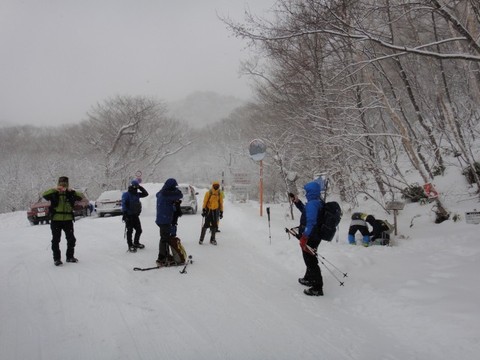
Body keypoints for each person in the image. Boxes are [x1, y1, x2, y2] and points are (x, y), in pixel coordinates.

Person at [42, 176, 85, 266]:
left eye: (65, 182)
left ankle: (70, 257)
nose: (63, 184)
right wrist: (54, 189)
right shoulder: (54, 192)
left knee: (71, 239)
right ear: (58, 183)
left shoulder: (70, 193)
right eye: (61, 182)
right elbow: (44, 195)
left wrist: (72, 191)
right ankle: (57, 259)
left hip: (68, 219)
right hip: (56, 220)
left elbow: (81, 196)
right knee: (55, 240)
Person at [296, 181, 324, 296]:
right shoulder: (317, 202)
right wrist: (297, 203)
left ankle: (317, 287)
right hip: (315, 235)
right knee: (309, 257)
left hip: (311, 236)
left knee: (310, 260)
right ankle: (309, 278)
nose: (306, 193)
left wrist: (305, 236)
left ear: (311, 192)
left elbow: (311, 221)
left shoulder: (313, 204)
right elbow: (306, 211)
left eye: (307, 191)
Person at [155, 178, 183, 265]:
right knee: (164, 239)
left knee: (165, 238)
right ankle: (161, 258)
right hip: (165, 219)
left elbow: (157, 194)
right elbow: (180, 195)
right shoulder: (166, 194)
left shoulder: (162, 192)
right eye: (174, 186)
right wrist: (175, 191)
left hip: (162, 218)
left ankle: (166, 255)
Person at [122, 179, 149, 252]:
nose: (136, 188)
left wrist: (140, 187)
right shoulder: (126, 194)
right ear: (132, 186)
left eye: (137, 187)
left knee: (139, 230)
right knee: (130, 231)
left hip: (135, 215)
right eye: (135, 187)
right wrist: (125, 214)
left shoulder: (137, 194)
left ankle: (136, 242)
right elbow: (123, 204)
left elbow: (146, 194)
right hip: (128, 216)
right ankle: (130, 245)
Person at [199, 181, 223, 245]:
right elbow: (205, 202)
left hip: (216, 211)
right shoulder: (208, 193)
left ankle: (212, 239)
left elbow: (221, 203)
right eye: (215, 185)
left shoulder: (219, 194)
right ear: (213, 185)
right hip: (209, 211)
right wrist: (204, 209)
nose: (216, 186)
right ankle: (201, 239)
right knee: (206, 225)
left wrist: (221, 211)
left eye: (217, 185)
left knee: (214, 226)